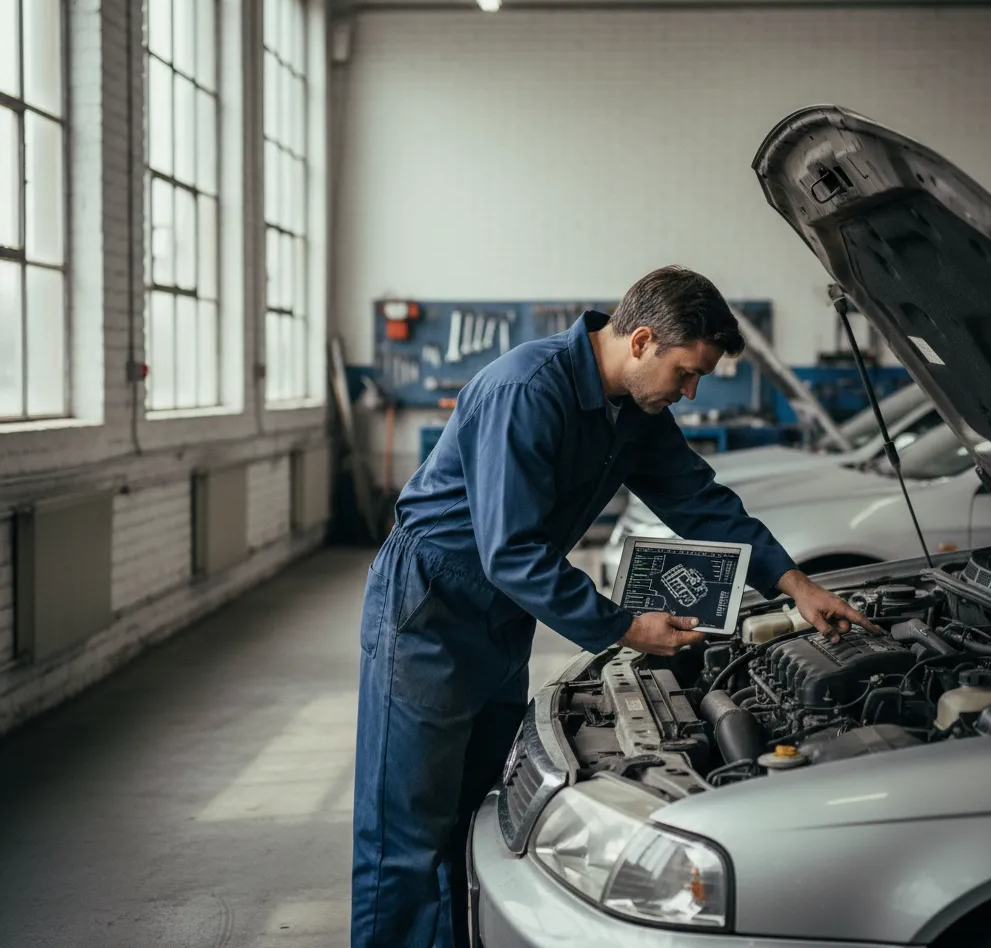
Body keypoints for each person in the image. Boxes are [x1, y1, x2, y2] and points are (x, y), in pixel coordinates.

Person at [349, 266, 879, 948]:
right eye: (687, 373)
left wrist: (795, 585)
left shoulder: (635, 411)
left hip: (505, 611)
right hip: (431, 605)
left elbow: (699, 501)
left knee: (470, 814)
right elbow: (510, 552)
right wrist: (624, 627)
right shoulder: (526, 390)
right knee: (406, 835)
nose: (690, 392)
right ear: (643, 340)